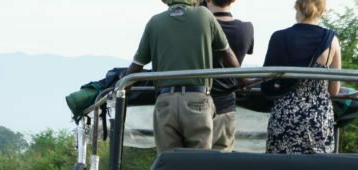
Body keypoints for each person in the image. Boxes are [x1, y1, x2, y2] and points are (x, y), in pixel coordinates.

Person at [126, 0, 240, 152]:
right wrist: (243, 79)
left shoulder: (155, 22)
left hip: (165, 102)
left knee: (168, 164)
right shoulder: (204, 15)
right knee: (199, 164)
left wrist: (122, 88)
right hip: (197, 100)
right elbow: (226, 52)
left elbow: (136, 66)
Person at [264, 0, 342, 153]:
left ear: (296, 6)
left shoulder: (279, 37)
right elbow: (334, 91)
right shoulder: (332, 40)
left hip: (285, 115)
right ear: (322, 10)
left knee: (280, 169)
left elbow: (267, 82)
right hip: (318, 118)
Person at [206, 0, 255, 151]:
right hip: (227, 106)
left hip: (199, 103)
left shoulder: (200, 28)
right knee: (221, 166)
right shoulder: (246, 28)